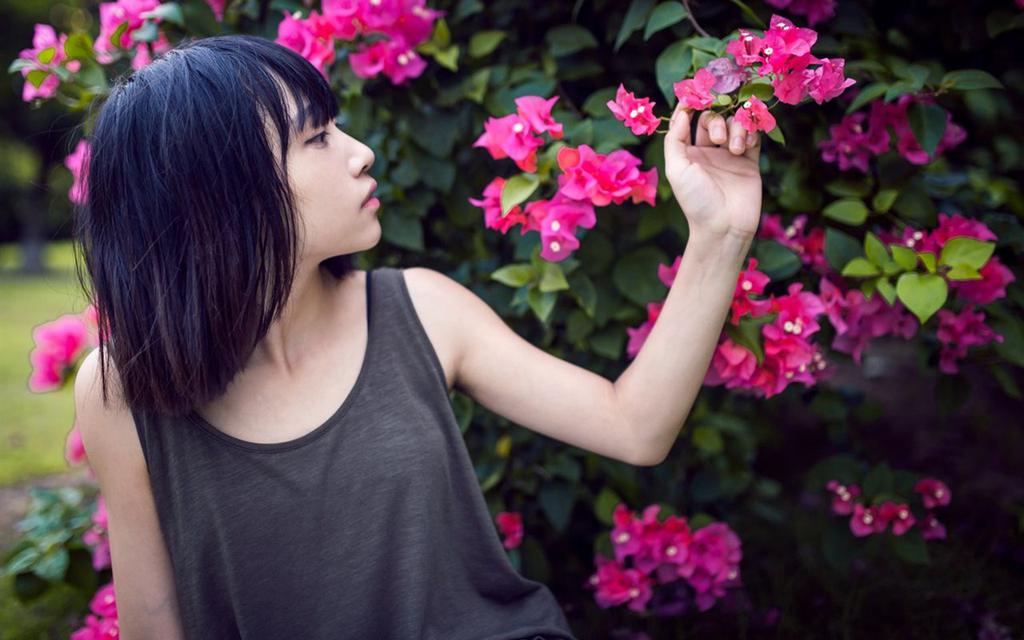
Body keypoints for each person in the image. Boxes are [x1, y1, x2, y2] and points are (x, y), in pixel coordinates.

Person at [72, 33, 762, 640]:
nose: (361, 153)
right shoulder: (123, 393)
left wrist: (721, 233)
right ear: (221, 194)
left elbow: (635, 426)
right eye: (317, 138)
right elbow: (155, 626)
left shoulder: (421, 310)